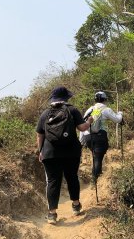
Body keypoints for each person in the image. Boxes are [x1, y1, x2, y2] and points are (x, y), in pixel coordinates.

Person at [36, 86, 93, 225]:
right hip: (71, 152)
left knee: (53, 181)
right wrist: (89, 121)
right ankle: (76, 206)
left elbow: (40, 134)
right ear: (66, 98)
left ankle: (52, 214)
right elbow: (82, 128)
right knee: (72, 177)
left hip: (50, 153)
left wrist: (41, 151)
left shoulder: (45, 113)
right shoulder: (72, 110)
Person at [80, 91, 123, 180]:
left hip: (88, 137)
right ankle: (95, 180)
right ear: (104, 100)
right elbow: (118, 120)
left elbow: (82, 124)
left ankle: (95, 177)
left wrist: (81, 140)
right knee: (98, 159)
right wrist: (120, 114)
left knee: (96, 157)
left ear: (95, 100)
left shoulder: (90, 109)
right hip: (100, 137)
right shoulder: (106, 109)